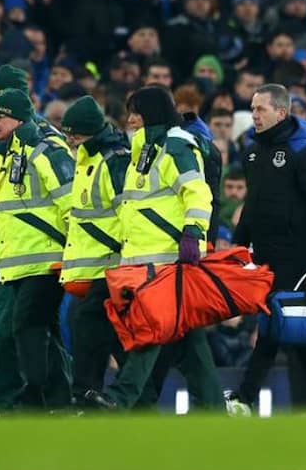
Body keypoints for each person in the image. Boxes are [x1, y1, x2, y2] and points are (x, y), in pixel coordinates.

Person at [84, 86, 222, 411]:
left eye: (137, 113)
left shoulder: (176, 146)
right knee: (191, 344)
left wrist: (193, 233)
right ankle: (215, 408)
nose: (130, 120)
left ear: (152, 114)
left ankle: (121, 398)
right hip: (144, 261)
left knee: (153, 330)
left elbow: (197, 193)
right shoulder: (144, 150)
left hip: (170, 259)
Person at [0, 88, 74, 410]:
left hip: (47, 262)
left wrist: (73, 253)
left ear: (21, 118)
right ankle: (58, 401)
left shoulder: (46, 151)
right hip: (11, 264)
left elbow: (71, 203)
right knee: (28, 334)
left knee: (24, 329)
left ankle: (35, 399)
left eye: (0, 116)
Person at [228, 84, 306, 415]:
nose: (254, 116)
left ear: (281, 112)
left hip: (299, 256)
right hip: (265, 254)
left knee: (277, 325)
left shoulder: (304, 152)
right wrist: (237, 245)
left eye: (261, 109)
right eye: (252, 109)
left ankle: (245, 399)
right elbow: (254, 205)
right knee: (287, 328)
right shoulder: (252, 152)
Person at [58, 96, 131, 403]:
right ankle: (128, 396)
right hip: (92, 267)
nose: (69, 139)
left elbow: (126, 212)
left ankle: (86, 393)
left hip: (111, 264)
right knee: (107, 335)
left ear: (89, 131)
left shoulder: (113, 160)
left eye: (73, 133)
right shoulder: (87, 157)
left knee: (87, 327)